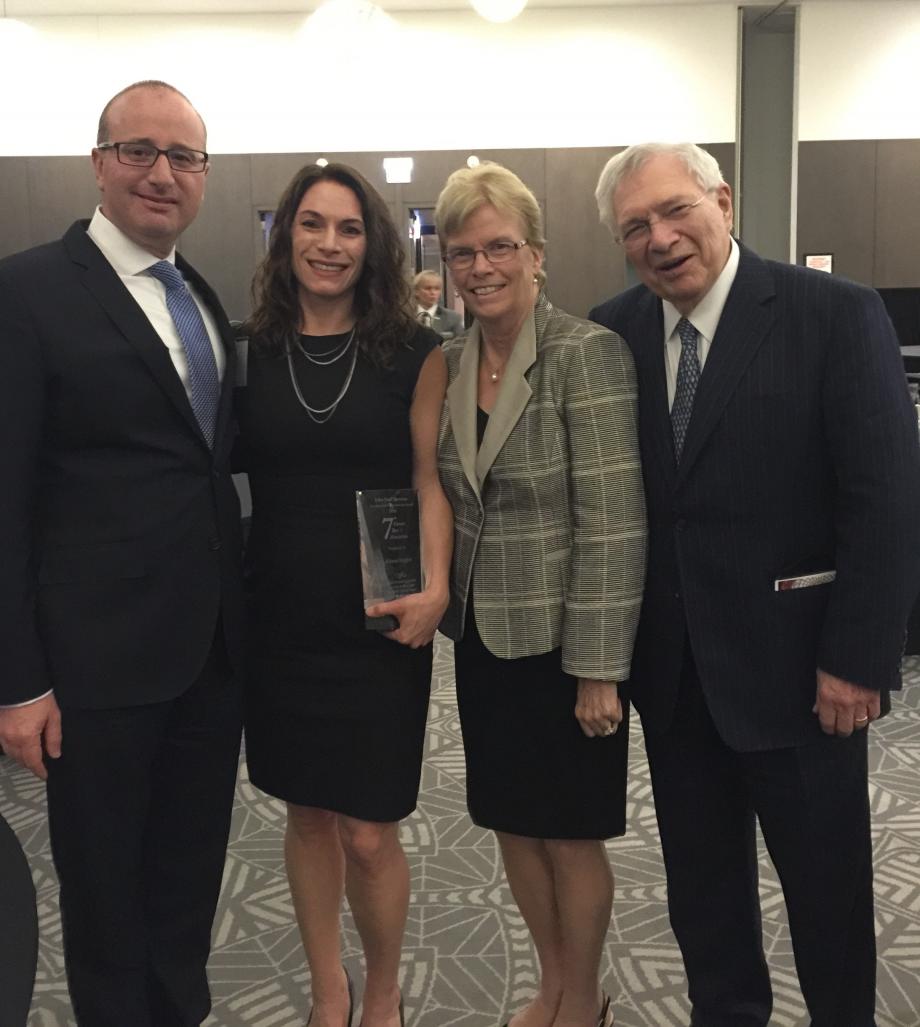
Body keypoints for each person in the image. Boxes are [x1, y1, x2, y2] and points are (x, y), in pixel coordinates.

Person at [589, 141, 920, 1027]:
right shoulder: (611, 331)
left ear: (723, 202)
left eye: (674, 211)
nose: (659, 238)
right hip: (675, 674)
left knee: (828, 891)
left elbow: (884, 499)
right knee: (703, 893)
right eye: (635, 227)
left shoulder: (833, 314)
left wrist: (859, 657)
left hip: (806, 675)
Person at [0, 80, 245, 1026]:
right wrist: (17, 681)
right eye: (140, 151)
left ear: (204, 178)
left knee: (187, 886)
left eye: (184, 157)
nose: (162, 173)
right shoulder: (26, 293)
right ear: (98, 164)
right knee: (106, 899)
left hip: (208, 658)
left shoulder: (201, 293)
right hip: (93, 671)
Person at [237, 162, 452, 1027]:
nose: (331, 244)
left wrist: (435, 586)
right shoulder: (250, 348)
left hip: (379, 616)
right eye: (314, 225)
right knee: (309, 812)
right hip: (280, 618)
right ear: (287, 234)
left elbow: (428, 480)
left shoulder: (415, 351)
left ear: (375, 245)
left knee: (370, 828)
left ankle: (385, 986)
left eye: (351, 229)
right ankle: (331, 986)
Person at [434, 162, 646, 1027]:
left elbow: (615, 520)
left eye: (499, 247)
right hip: (485, 639)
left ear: (537, 255)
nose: (481, 266)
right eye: (463, 253)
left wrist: (599, 670)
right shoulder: (447, 362)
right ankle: (553, 982)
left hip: (566, 649)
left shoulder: (584, 353)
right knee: (511, 824)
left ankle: (583, 995)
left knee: (570, 831)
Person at [413, 269, 464, 340]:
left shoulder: (453, 318)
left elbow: (460, 345)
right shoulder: (404, 317)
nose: (433, 293)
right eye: (428, 288)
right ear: (416, 291)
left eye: (437, 289)